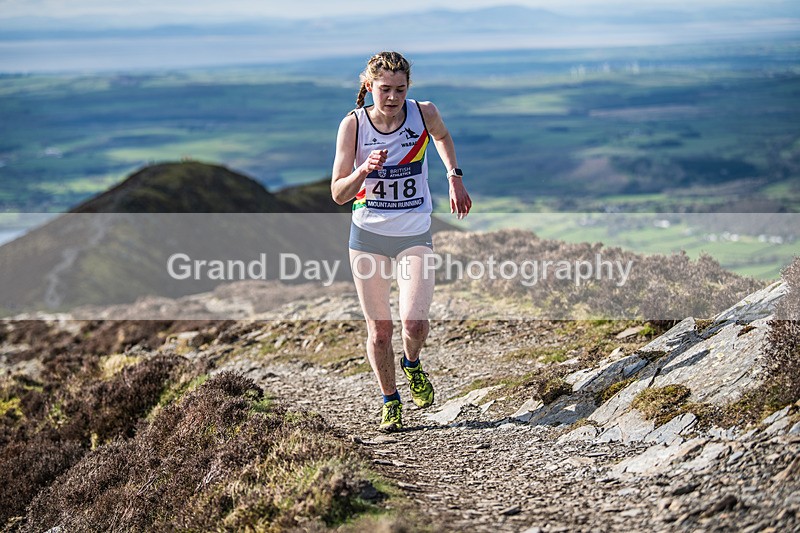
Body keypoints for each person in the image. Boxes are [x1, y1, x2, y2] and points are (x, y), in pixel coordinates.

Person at [331, 51, 472, 432]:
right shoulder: (354, 126)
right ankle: (390, 400)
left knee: (415, 323)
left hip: (413, 234)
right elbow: (339, 194)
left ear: (408, 88)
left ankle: (412, 363)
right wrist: (364, 169)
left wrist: (453, 176)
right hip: (368, 237)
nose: (392, 98)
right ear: (368, 86)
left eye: (399, 89)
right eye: (384, 89)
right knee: (379, 330)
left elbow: (442, 136)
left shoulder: (423, 113)